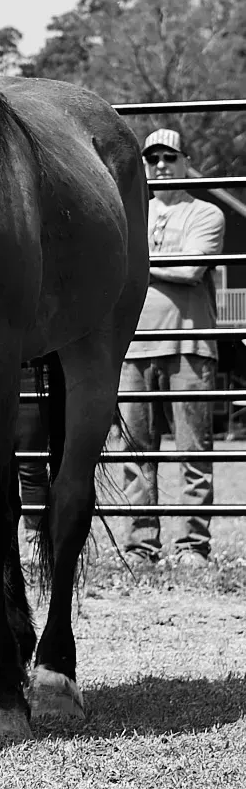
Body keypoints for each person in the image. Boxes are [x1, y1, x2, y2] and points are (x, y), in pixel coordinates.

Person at [120, 128, 225, 566]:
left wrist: (129, 262)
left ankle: (192, 547)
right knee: (135, 453)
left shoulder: (207, 213)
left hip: (189, 344)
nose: (160, 165)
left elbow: (189, 269)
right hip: (131, 347)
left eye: (169, 157)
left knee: (192, 450)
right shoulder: (129, 212)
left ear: (186, 161)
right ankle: (142, 545)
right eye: (152, 159)